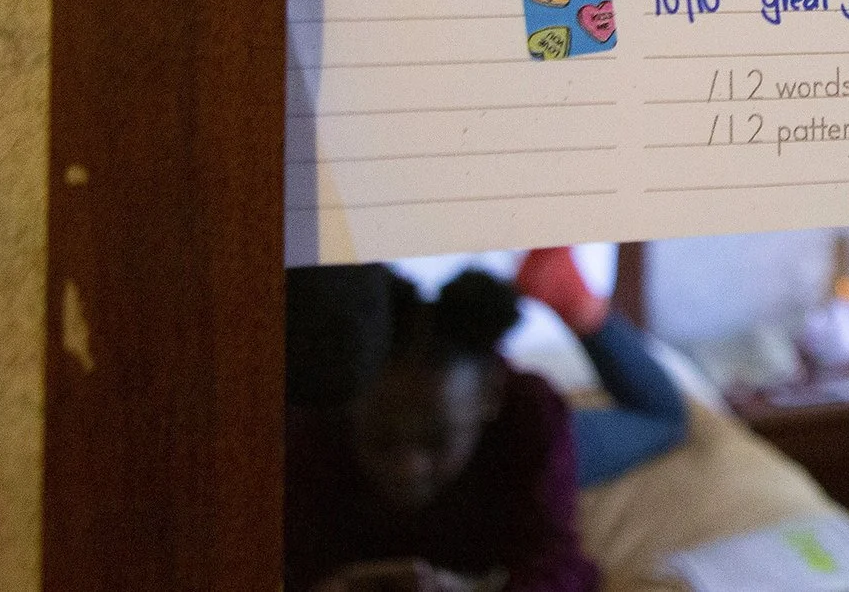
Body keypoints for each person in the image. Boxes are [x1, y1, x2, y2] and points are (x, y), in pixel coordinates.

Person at [285, 249, 686, 592]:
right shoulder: (316, 418)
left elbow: (562, 569)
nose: (409, 465)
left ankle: (575, 301)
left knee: (664, 419)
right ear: (351, 409)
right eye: (382, 439)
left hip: (503, 444)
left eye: (436, 440)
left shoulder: (529, 417)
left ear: (490, 398)